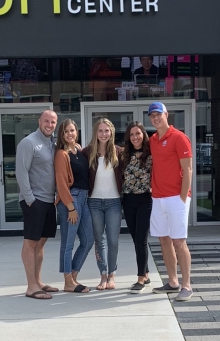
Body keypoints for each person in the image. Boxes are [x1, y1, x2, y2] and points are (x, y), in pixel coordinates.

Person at [147, 102, 194, 302]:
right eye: (152, 116)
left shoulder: (179, 138)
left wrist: (183, 197)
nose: (155, 118)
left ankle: (187, 286)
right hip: (158, 198)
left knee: (178, 241)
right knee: (163, 240)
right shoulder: (153, 140)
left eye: (158, 114)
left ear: (166, 115)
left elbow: (188, 170)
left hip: (177, 198)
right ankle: (173, 282)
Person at [15, 109, 59, 300]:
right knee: (31, 242)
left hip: (49, 201)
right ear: (39, 121)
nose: (49, 125)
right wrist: (30, 199)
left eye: (53, 122)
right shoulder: (28, 142)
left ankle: (38, 281)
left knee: (41, 243)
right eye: (46, 121)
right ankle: (31, 286)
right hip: (34, 201)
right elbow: (21, 172)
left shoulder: (53, 143)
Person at [83, 118, 123, 290]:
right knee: (100, 240)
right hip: (94, 203)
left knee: (113, 241)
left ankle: (112, 274)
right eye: (100, 131)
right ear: (96, 133)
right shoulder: (87, 152)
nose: (104, 134)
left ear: (111, 132)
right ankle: (103, 275)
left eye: (107, 130)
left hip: (114, 202)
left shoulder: (119, 152)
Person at [54, 119, 93, 293]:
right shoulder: (62, 154)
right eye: (66, 131)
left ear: (77, 132)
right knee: (68, 242)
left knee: (88, 240)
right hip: (71, 199)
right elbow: (61, 183)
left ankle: (73, 276)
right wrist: (70, 207)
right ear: (61, 135)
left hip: (84, 199)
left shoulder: (79, 150)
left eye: (72, 130)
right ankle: (67, 282)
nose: (70, 134)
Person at [120, 121, 153, 293]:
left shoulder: (151, 153)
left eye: (138, 134)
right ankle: (146, 273)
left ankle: (140, 278)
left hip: (145, 199)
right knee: (135, 239)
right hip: (128, 200)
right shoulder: (124, 154)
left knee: (141, 239)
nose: (135, 137)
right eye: (132, 134)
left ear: (143, 135)